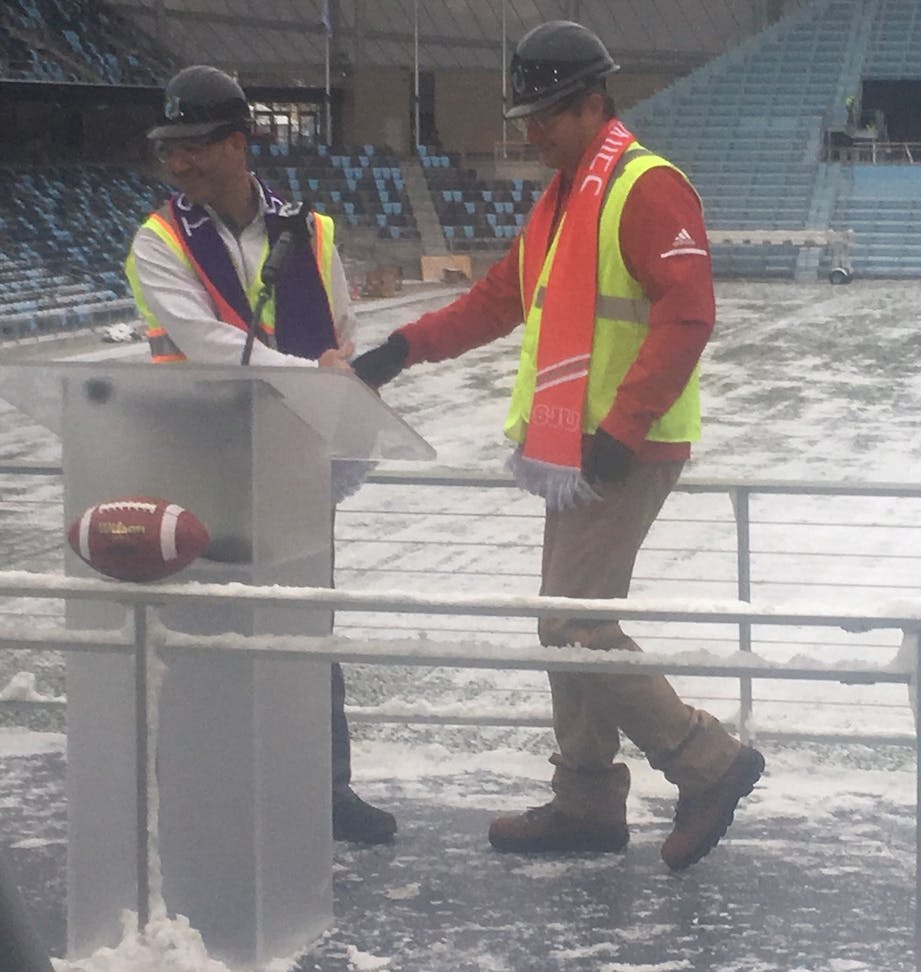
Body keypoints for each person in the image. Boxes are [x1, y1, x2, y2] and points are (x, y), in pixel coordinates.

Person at [351, 20, 764, 871]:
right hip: (575, 446)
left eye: (545, 114)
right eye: (525, 116)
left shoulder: (646, 187)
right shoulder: (567, 196)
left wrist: (623, 429)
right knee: (565, 621)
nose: (530, 130)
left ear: (593, 104)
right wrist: (402, 349)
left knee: (572, 624)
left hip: (625, 445)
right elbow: (500, 299)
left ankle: (707, 763)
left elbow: (689, 315)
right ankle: (585, 799)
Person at [124, 65, 396, 846]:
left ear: (238, 144)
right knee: (204, 630)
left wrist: (331, 379)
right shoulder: (159, 239)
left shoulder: (312, 231)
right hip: (197, 456)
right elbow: (206, 345)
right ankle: (202, 788)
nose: (177, 163)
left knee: (309, 626)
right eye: (169, 148)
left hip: (291, 459)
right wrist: (313, 376)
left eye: (193, 147)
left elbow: (340, 331)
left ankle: (326, 789)